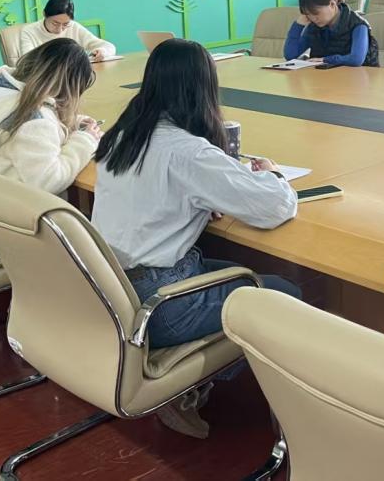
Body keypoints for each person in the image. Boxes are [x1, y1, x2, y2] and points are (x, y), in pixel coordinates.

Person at [91, 38, 299, 438]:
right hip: (161, 304)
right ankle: (191, 385)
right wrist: (273, 173)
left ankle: (195, 380)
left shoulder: (121, 136)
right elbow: (275, 207)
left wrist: (200, 201)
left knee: (240, 271)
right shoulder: (187, 152)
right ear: (203, 87)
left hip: (111, 290)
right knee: (285, 293)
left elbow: (151, 200)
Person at [0, 38, 102, 259]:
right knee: (99, 243)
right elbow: (49, 180)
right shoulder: (33, 120)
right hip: (10, 234)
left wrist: (71, 123)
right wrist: (85, 140)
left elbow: (25, 132)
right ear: (67, 87)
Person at [283, 0, 379, 67]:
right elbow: (291, 55)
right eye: (308, 15)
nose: (313, 19)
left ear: (332, 4)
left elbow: (356, 59)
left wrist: (325, 59)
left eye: (316, 14)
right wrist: (298, 25)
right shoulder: (314, 26)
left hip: (357, 78)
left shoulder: (358, 24)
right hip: (324, 77)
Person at [17, 0, 116, 62]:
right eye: (55, 23)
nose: (60, 30)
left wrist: (102, 51)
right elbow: (26, 62)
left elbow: (109, 46)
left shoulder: (74, 27)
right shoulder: (29, 31)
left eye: (65, 24)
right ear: (44, 14)